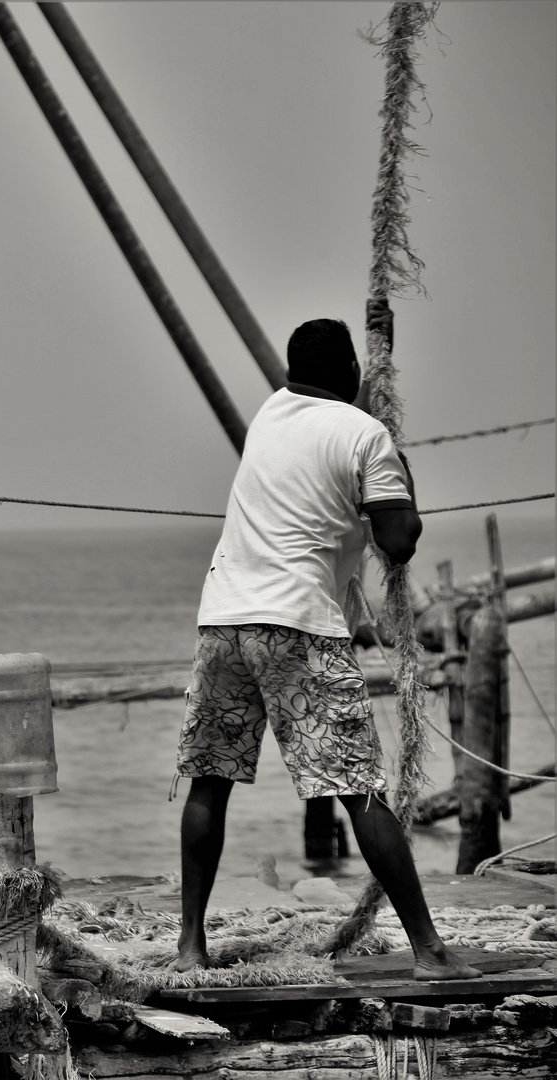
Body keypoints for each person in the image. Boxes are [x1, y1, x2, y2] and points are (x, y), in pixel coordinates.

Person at [173, 301, 480, 982]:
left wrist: (373, 378)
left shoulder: (268, 416)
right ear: (346, 374)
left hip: (222, 618)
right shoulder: (366, 437)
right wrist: (398, 472)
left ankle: (189, 945)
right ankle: (428, 950)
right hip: (296, 626)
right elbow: (396, 543)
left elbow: (333, 413)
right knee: (359, 789)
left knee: (209, 782)